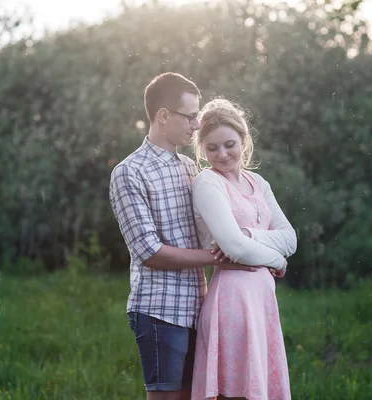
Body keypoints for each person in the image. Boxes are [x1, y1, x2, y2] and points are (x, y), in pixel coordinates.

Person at [109, 73, 260, 400]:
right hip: (160, 309)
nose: (196, 125)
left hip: (200, 307)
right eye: (190, 117)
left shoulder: (191, 168)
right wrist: (224, 259)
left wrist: (259, 252)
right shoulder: (129, 172)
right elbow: (150, 252)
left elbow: (217, 229)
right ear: (163, 116)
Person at [190, 99, 297, 400]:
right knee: (234, 394)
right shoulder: (208, 182)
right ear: (202, 150)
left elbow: (290, 238)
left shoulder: (258, 182)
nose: (222, 154)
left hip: (261, 301)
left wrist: (249, 234)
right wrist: (277, 260)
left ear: (244, 140)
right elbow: (233, 247)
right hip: (232, 303)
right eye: (212, 148)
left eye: (229, 144)